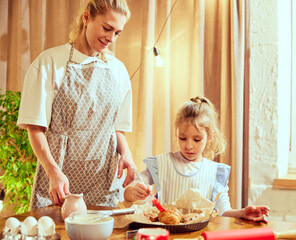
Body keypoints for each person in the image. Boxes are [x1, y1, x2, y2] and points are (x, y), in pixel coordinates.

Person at [17, 0, 135, 210]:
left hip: (104, 185)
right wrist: (53, 172)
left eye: (117, 33)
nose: (111, 38)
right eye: (107, 28)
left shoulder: (118, 71)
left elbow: (116, 129)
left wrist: (126, 155)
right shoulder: (49, 62)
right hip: (59, 185)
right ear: (87, 17)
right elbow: (35, 129)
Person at [124, 96, 270, 222]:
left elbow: (223, 211)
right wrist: (134, 192)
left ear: (210, 136)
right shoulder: (162, 164)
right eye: (182, 138)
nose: (189, 146)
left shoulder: (214, 172)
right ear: (177, 134)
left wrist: (243, 213)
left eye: (197, 139)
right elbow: (128, 192)